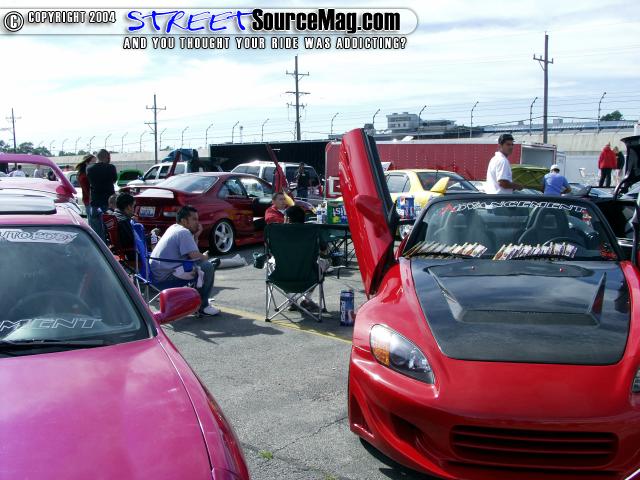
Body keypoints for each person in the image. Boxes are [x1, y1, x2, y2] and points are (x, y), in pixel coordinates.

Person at [149, 205, 219, 316]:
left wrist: (196, 236)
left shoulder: (174, 228)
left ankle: (197, 301)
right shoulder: (183, 232)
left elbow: (192, 253)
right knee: (207, 267)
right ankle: (203, 307)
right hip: (165, 279)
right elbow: (194, 256)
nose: (197, 223)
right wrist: (205, 257)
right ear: (184, 221)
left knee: (201, 265)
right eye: (194, 219)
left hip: (156, 276)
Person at [86, 149, 117, 240]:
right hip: (108, 203)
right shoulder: (111, 167)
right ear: (107, 158)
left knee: (97, 233)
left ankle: (99, 247)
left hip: (95, 203)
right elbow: (114, 180)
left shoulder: (89, 168)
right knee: (111, 231)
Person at [113, 193, 136, 258]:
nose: (134, 210)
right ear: (128, 207)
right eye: (133, 206)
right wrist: (152, 235)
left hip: (117, 253)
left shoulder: (113, 216)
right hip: (131, 254)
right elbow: (134, 240)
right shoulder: (124, 221)